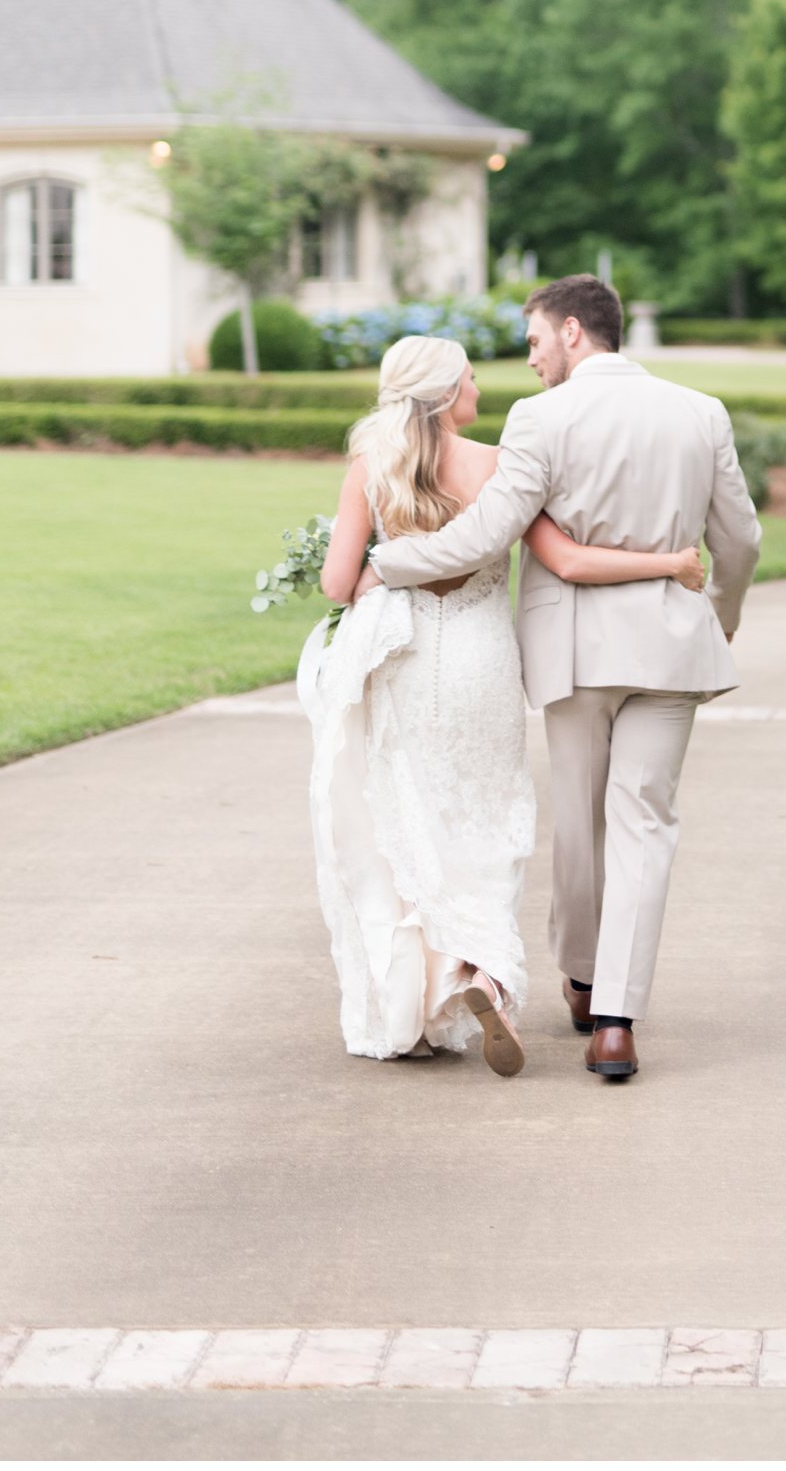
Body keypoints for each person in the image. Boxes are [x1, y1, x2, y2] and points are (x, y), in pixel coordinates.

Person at [368, 274, 761, 1083]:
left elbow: (485, 534)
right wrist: (717, 615)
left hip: (579, 653)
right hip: (673, 648)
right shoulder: (701, 411)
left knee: (581, 822)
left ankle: (583, 979)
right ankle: (614, 1021)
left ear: (576, 331)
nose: (532, 357)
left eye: (537, 339)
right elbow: (742, 539)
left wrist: (383, 562)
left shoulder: (541, 418)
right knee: (647, 822)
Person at [300, 333, 708, 1076]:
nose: (481, 391)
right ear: (450, 391)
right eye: (471, 380)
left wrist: (375, 575)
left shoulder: (371, 466)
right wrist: (671, 563)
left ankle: (421, 997)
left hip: (406, 665)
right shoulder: (495, 464)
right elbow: (568, 560)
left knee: (412, 821)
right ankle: (481, 972)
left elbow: (336, 582)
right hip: (482, 668)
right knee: (486, 820)